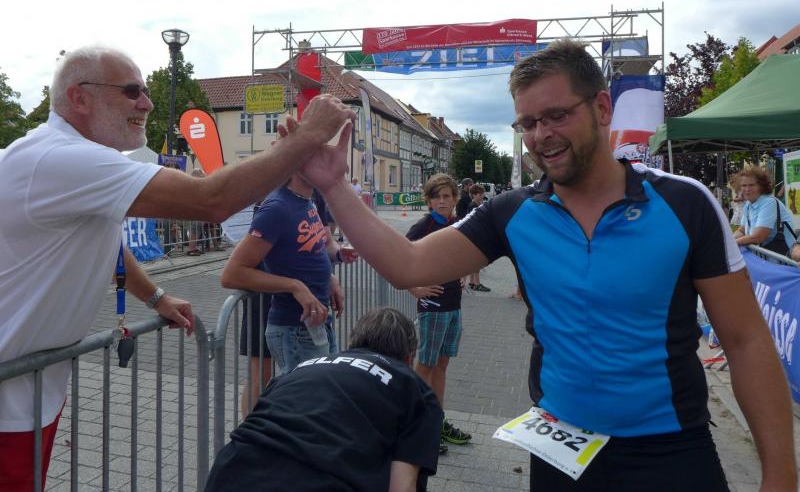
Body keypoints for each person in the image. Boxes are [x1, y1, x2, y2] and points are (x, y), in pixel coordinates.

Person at [295, 39, 797, 491]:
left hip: (671, 447)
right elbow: (408, 264)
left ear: (602, 108)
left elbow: (745, 340)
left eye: (556, 116)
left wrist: (780, 475)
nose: (541, 135)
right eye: (528, 123)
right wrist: (334, 186)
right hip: (562, 449)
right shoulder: (512, 213)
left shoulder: (685, 203)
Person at [0, 45, 355, 491]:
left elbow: (104, 242)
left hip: (27, 386)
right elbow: (211, 201)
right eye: (132, 91)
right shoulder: (59, 157)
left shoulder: (72, 159)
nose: (147, 103)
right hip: (10, 393)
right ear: (80, 97)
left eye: (146, 92)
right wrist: (306, 138)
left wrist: (156, 296)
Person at [204, 307, 443, 492]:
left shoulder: (302, 368)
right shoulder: (416, 390)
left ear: (353, 342)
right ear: (410, 358)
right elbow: (401, 487)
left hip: (232, 471)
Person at [221, 170, 348, 380]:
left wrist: (330, 276)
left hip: (317, 322)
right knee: (304, 399)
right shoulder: (277, 208)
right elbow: (232, 274)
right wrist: (294, 286)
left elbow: (313, 249)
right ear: (297, 165)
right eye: (315, 159)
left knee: (325, 393)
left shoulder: (308, 201)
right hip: (295, 329)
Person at [405, 174, 472, 454]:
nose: (442, 201)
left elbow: (464, 254)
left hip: (453, 304)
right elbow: (398, 258)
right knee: (425, 365)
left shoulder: (458, 223)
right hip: (433, 308)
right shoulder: (424, 226)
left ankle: (437, 420)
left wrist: (464, 273)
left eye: (446, 196)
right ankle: (416, 425)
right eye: (436, 197)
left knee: (442, 364)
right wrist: (415, 289)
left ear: (455, 198)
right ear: (429, 201)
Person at [732, 165, 796, 256]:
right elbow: (741, 231)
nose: (747, 189)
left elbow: (758, 237)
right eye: (744, 185)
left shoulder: (768, 203)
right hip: (764, 258)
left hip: (781, 259)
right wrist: (730, 240)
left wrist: (732, 244)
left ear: (761, 187)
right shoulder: (748, 204)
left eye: (752, 185)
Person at [466, 183, 491, 292]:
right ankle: (476, 283)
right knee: (477, 261)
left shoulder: (476, 205)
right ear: (474, 195)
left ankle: (472, 282)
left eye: (482, 194)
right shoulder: (473, 206)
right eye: (480, 195)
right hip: (474, 236)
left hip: (475, 235)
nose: (482, 196)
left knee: (473, 260)